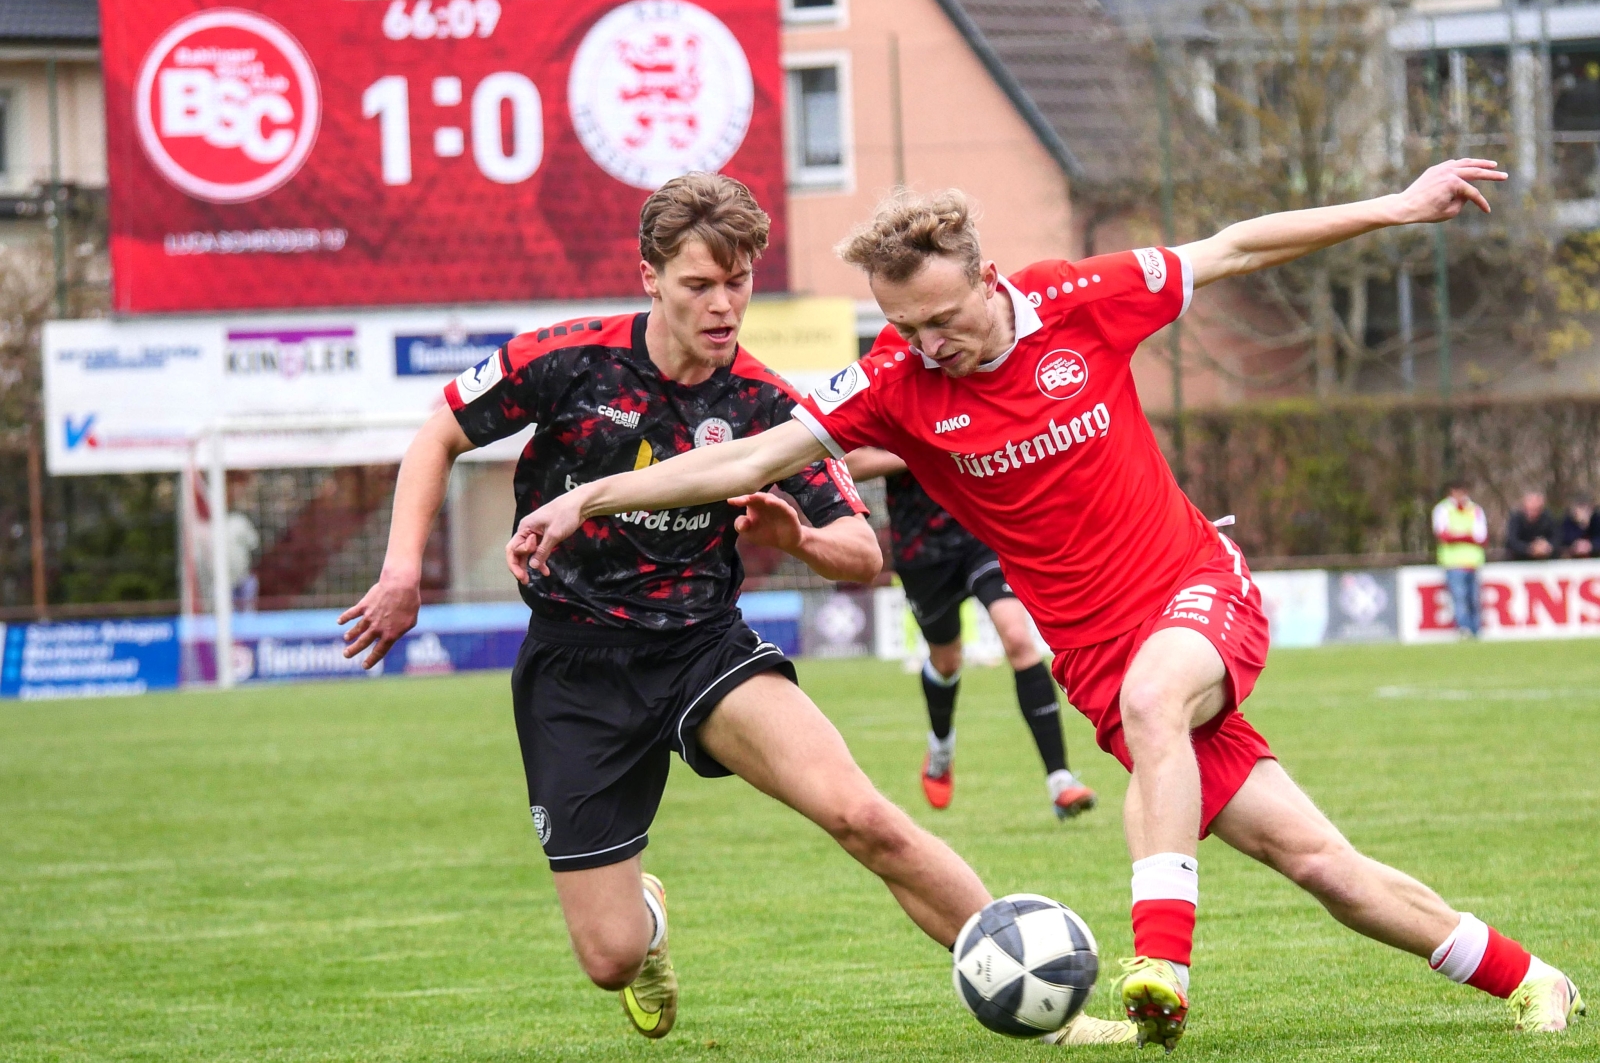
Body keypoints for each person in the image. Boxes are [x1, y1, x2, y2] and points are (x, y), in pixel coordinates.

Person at [508, 160, 1584, 1048]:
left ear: (987, 278)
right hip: (1099, 667)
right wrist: (591, 495)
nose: (931, 345)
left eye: (941, 318)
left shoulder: (1086, 300)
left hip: (1196, 591)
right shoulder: (895, 379)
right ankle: (1531, 979)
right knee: (1318, 864)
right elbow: (747, 456)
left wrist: (1394, 207)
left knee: (1165, 693)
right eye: (904, 326)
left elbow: (1237, 245)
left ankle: (1157, 961)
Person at [337, 173, 1132, 1047]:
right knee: (608, 956)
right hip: (575, 667)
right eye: (699, 285)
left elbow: (864, 555)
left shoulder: (765, 404)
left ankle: (1046, 1001)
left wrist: (797, 540)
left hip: (704, 652)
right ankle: (646, 919)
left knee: (865, 816)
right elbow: (440, 431)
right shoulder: (567, 359)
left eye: (739, 282)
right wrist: (402, 571)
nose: (724, 306)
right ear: (651, 277)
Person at [847, 434, 1097, 819]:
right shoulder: (888, 387)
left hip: (981, 534)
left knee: (1017, 638)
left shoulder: (971, 379)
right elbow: (850, 462)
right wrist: (918, 450)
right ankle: (941, 747)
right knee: (946, 662)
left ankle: (1060, 779)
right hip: (921, 552)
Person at [1431, 480, 1487, 637]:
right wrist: (1467, 536)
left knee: (1474, 599)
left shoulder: (1475, 509)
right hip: (1453, 562)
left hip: (1473, 561)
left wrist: (1458, 536)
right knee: (1459, 598)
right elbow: (1443, 535)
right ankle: (1464, 629)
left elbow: (1481, 537)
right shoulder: (1443, 509)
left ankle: (1476, 630)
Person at [1506, 491, 1557, 560]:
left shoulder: (1548, 518)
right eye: (1529, 510)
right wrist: (1530, 548)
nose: (1532, 513)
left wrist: (1548, 546)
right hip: (1519, 560)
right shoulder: (1516, 519)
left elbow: (1557, 537)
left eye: (1536, 510)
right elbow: (1512, 541)